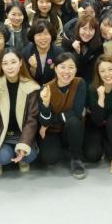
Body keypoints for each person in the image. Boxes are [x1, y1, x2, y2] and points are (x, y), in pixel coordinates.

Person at [0, 48, 40, 176]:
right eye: (5, 63)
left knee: (29, 155)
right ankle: (3, 157)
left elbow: (32, 119)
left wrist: (23, 144)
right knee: (3, 157)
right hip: (2, 136)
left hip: (22, 134)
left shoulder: (31, 86)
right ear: (0, 66)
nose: (9, 67)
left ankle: (20, 154)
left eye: (13, 62)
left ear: (20, 63)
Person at [38, 52, 87, 180]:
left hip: (71, 128)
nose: (67, 71)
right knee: (50, 158)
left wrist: (49, 122)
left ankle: (76, 158)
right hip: (53, 131)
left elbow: (76, 112)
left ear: (76, 69)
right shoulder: (46, 88)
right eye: (62, 67)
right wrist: (46, 103)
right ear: (55, 68)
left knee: (74, 121)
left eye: (71, 67)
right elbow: (43, 120)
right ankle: (64, 149)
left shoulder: (80, 83)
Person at [84, 56, 112, 175]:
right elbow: (97, 120)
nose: (107, 74)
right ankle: (105, 145)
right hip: (98, 125)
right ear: (98, 73)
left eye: (110, 69)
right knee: (92, 155)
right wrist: (101, 98)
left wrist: (108, 119)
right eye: (102, 71)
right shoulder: (93, 88)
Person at [21, 19, 63, 87]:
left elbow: (60, 76)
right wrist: (33, 68)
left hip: (53, 87)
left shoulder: (59, 52)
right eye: (39, 35)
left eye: (46, 34)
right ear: (33, 37)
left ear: (51, 35)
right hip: (32, 88)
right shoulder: (26, 52)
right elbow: (26, 76)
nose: (43, 38)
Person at [62, 15, 104, 84]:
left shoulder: (97, 45)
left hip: (85, 80)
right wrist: (77, 53)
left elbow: (91, 71)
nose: (87, 33)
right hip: (67, 78)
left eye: (91, 29)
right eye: (84, 28)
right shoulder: (68, 41)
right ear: (78, 28)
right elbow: (65, 66)